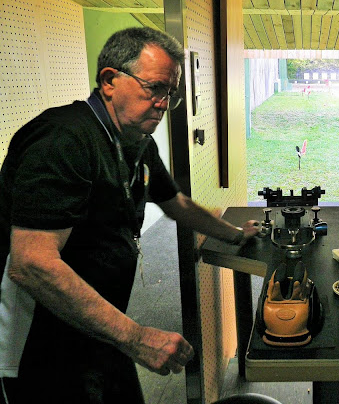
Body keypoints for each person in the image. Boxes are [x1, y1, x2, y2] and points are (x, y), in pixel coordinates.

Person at [0, 27, 259, 403]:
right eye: (154, 88)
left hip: (101, 328)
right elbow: (31, 264)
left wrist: (234, 234)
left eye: (170, 94)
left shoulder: (137, 142)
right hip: (42, 349)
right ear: (109, 81)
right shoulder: (63, 139)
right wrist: (136, 337)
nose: (163, 103)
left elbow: (176, 203)